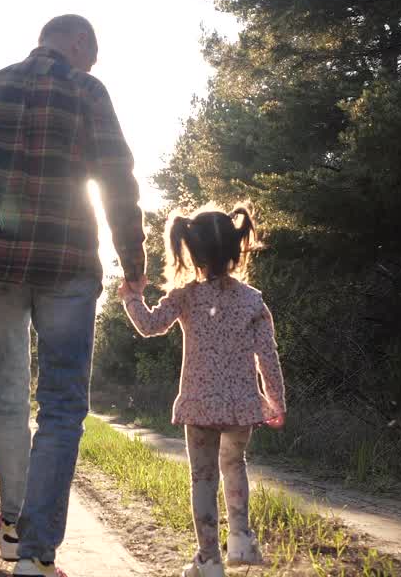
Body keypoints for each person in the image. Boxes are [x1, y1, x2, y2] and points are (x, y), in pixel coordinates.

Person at [0, 15, 146, 577]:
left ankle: (14, 521)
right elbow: (118, 183)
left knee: (9, 392)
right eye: (91, 54)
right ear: (77, 43)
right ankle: (36, 555)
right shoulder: (87, 91)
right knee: (63, 405)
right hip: (67, 266)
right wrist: (134, 264)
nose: (92, 65)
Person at [117, 204, 286, 577]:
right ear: (235, 249)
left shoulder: (185, 297)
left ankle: (209, 560)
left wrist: (132, 296)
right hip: (242, 405)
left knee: (204, 479)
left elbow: (149, 326)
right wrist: (276, 401)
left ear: (191, 251)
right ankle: (241, 538)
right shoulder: (253, 300)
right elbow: (267, 357)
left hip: (198, 405)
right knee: (234, 465)